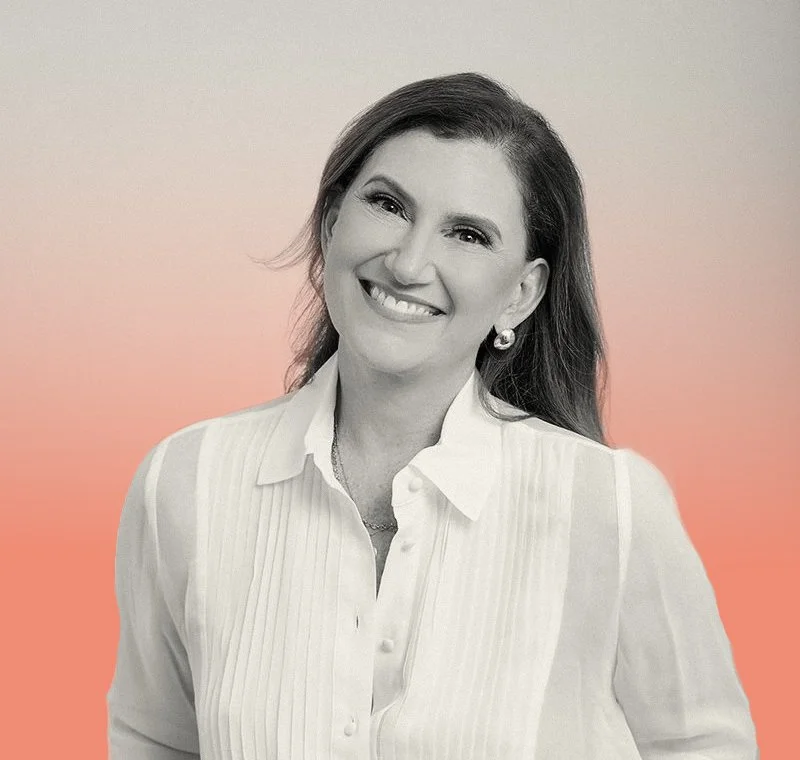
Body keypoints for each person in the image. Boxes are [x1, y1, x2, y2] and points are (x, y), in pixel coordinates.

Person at [107, 73, 758, 758]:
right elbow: (154, 738)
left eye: (468, 234)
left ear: (521, 294)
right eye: (388, 204)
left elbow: (703, 745)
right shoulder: (188, 483)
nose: (410, 262)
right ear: (332, 223)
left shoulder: (611, 507)